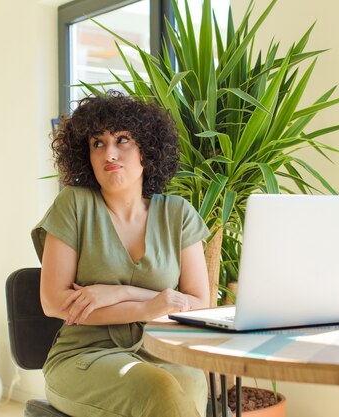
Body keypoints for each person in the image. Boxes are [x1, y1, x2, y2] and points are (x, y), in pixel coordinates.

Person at [31, 91, 211, 417]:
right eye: (97, 143)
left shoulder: (178, 214)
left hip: (162, 353)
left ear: (148, 150)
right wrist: (148, 306)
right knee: (159, 389)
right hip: (84, 357)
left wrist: (120, 293)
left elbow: (200, 304)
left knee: (191, 381)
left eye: (123, 139)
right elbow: (55, 302)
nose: (109, 153)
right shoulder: (73, 205)